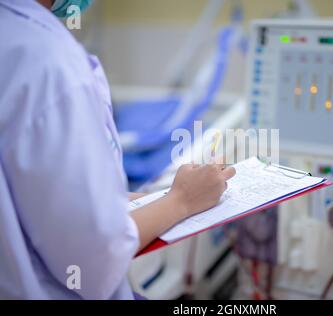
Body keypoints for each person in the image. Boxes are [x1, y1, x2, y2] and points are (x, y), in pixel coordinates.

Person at [0, 0, 235, 299]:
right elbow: (91, 258)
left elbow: (31, 194)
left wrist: (150, 199)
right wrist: (181, 201)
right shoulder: (49, 63)